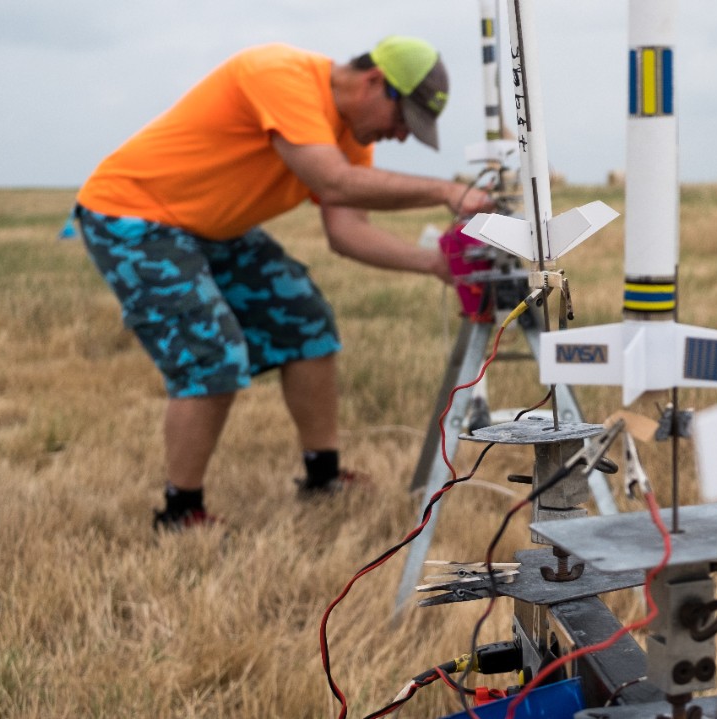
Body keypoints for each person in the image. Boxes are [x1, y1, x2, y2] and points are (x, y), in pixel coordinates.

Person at [75, 36, 494, 530]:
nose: (401, 135)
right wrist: (448, 190)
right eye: (403, 121)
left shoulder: (352, 140)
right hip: (133, 217)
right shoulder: (280, 74)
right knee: (212, 354)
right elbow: (333, 182)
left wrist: (432, 264)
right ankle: (180, 511)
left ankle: (323, 478)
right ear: (374, 82)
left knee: (305, 321)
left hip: (210, 229)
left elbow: (346, 231)